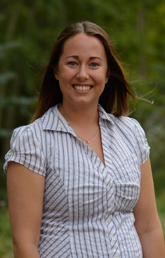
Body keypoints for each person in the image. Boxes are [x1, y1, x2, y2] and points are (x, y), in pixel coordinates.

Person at [4, 21, 165, 258]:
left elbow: (149, 228)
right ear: (56, 71)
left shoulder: (131, 133)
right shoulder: (33, 140)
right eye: (72, 63)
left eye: (94, 64)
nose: (82, 74)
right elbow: (24, 244)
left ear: (107, 73)